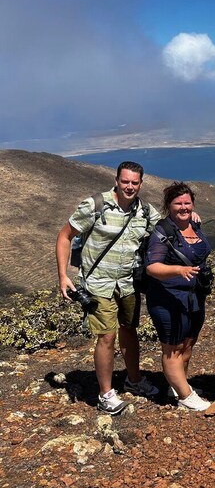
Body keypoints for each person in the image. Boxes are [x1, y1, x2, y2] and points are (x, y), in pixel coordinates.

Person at [56, 161, 161, 414]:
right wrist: (63, 276)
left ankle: (133, 381)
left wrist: (190, 216)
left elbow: (165, 229)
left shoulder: (144, 211)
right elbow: (65, 235)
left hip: (127, 283)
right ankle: (105, 394)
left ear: (141, 184)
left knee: (129, 330)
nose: (129, 186)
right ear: (116, 180)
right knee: (107, 336)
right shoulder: (96, 205)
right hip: (98, 283)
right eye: (125, 181)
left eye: (134, 182)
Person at [145, 182, 212, 411]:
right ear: (168, 206)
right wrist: (178, 270)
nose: (183, 207)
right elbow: (152, 267)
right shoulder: (163, 232)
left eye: (187, 202)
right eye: (178, 203)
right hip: (168, 297)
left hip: (195, 296)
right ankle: (186, 396)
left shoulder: (194, 223)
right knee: (172, 348)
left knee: (188, 344)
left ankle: (177, 385)